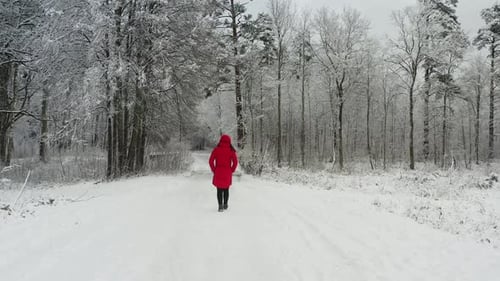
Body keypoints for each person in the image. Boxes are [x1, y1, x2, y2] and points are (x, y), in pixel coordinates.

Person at [209, 134, 238, 212]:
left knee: (219, 190)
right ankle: (225, 204)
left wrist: (214, 169)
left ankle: (220, 206)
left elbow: (211, 161)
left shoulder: (216, 149)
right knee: (226, 189)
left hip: (218, 171)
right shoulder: (231, 150)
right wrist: (232, 170)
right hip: (227, 172)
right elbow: (235, 162)